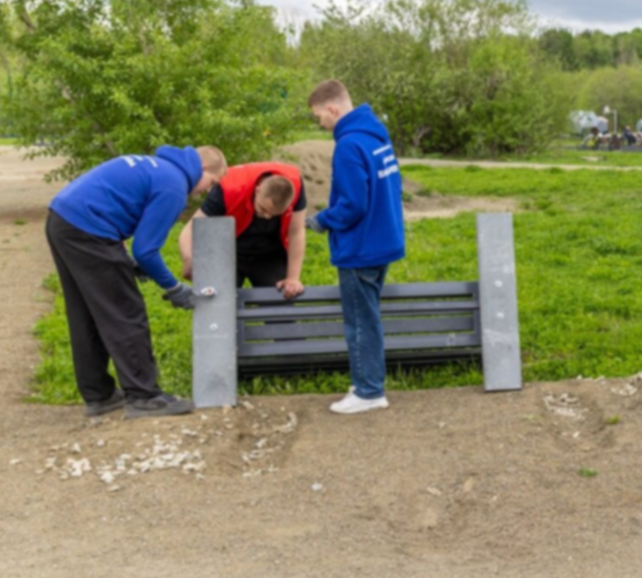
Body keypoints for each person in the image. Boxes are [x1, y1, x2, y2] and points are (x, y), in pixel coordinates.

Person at [46, 145, 227, 419]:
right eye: (211, 183)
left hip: (63, 220)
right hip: (89, 230)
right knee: (125, 313)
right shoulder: (174, 185)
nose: (205, 191)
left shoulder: (156, 166)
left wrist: (129, 261)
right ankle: (144, 397)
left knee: (85, 312)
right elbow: (146, 249)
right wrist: (174, 287)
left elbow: (115, 205)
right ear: (202, 169)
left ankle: (99, 395)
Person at [305, 79, 405, 414]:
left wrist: (321, 220)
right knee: (368, 316)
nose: (321, 124)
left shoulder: (348, 145)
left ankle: (368, 391)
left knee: (360, 321)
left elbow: (352, 205)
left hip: (360, 246)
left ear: (333, 109)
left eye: (320, 117)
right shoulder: (375, 137)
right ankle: (367, 379)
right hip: (383, 238)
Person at [178, 162, 307, 299]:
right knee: (217, 301)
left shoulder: (295, 186)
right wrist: (189, 258)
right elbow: (191, 228)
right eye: (263, 209)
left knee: (281, 301)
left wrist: (293, 278)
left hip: (270, 253)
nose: (267, 216)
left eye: (274, 214)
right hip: (227, 251)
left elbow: (296, 232)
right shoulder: (228, 188)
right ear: (258, 190)